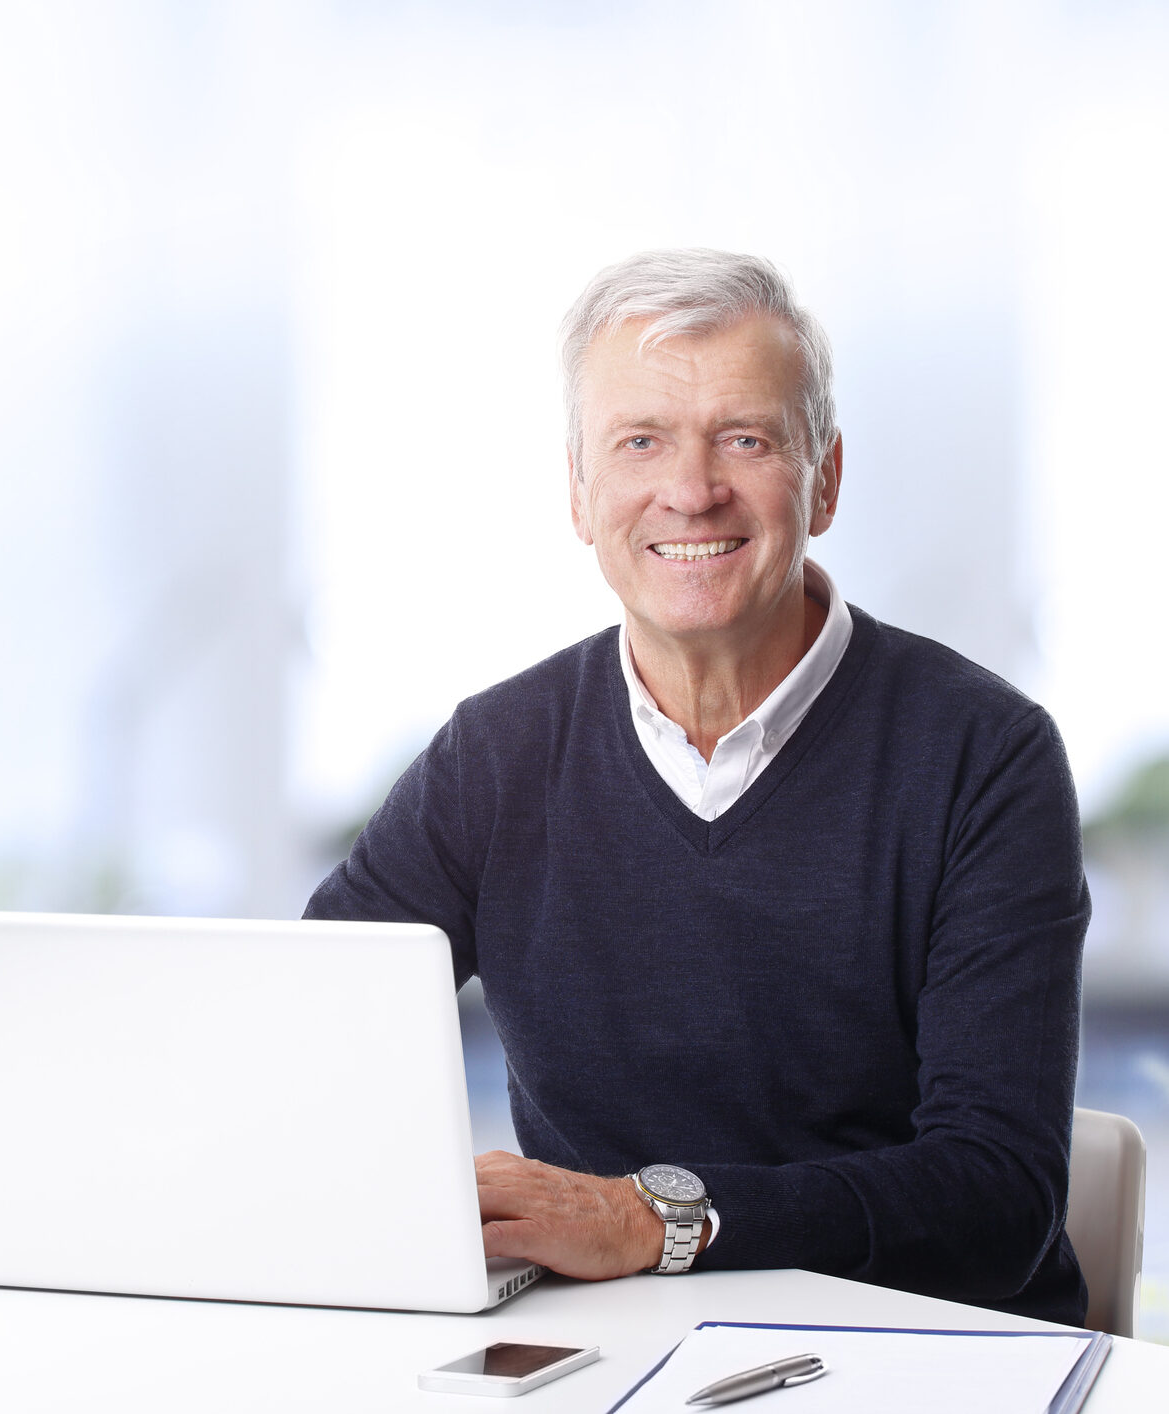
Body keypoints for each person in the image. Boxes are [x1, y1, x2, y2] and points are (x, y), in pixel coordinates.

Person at [304, 248, 1090, 1325]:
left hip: (927, 1349)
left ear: (824, 477)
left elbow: (1000, 1200)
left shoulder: (982, 754)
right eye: (640, 442)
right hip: (604, 1353)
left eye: (745, 437)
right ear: (579, 495)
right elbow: (306, 1035)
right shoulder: (494, 754)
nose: (690, 489)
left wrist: (657, 1221)